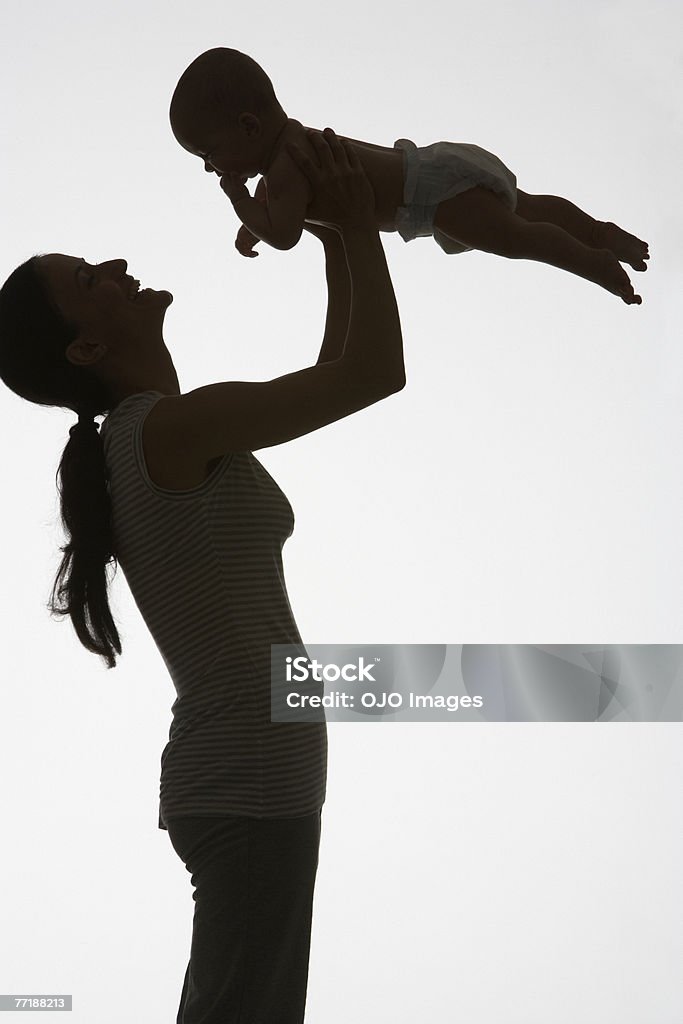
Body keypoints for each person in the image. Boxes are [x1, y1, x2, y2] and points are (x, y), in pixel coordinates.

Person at [0, 129, 404, 1023]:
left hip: (251, 782)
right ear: (82, 351)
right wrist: (354, 220)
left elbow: (341, 367)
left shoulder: (156, 435)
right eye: (86, 281)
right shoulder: (158, 433)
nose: (111, 264)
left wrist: (340, 227)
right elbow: (374, 373)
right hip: (248, 786)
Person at [170, 46, 650, 306]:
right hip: (434, 165)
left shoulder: (285, 165)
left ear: (249, 127)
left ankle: (592, 261)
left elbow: (286, 234)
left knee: (519, 237)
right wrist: (253, 216)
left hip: (433, 199)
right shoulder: (294, 148)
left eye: (209, 155)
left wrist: (239, 202)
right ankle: (600, 232)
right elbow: (278, 209)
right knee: (527, 206)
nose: (212, 168)